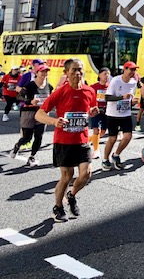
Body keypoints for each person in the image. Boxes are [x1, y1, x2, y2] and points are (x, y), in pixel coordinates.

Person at [35, 58, 99, 223]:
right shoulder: (60, 92)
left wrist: (92, 111)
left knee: (87, 173)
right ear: (66, 73)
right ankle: (58, 207)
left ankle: (71, 195)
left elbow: (88, 109)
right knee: (67, 175)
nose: (78, 73)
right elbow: (39, 114)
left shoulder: (89, 91)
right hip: (63, 141)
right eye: (74, 70)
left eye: (80, 70)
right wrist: (55, 121)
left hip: (82, 139)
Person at [10, 64, 54, 167]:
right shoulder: (30, 85)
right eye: (42, 71)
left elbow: (51, 98)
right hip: (29, 112)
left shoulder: (49, 86)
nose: (44, 73)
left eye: (46, 71)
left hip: (42, 113)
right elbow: (19, 96)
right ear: (36, 73)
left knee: (39, 136)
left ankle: (32, 156)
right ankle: (17, 146)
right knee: (27, 137)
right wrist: (30, 101)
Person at [102, 62, 139, 171]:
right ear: (125, 69)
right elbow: (107, 98)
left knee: (128, 136)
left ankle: (116, 155)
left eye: (134, 70)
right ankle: (105, 159)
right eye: (131, 70)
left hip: (125, 114)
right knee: (112, 138)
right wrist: (122, 97)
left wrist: (133, 102)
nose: (133, 72)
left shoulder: (133, 82)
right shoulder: (116, 81)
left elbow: (130, 99)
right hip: (112, 114)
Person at [89, 67, 110, 159]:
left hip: (106, 111)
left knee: (103, 132)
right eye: (105, 74)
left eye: (108, 74)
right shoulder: (93, 87)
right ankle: (96, 151)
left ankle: (88, 139)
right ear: (99, 75)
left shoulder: (110, 87)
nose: (107, 76)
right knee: (96, 130)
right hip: (95, 111)